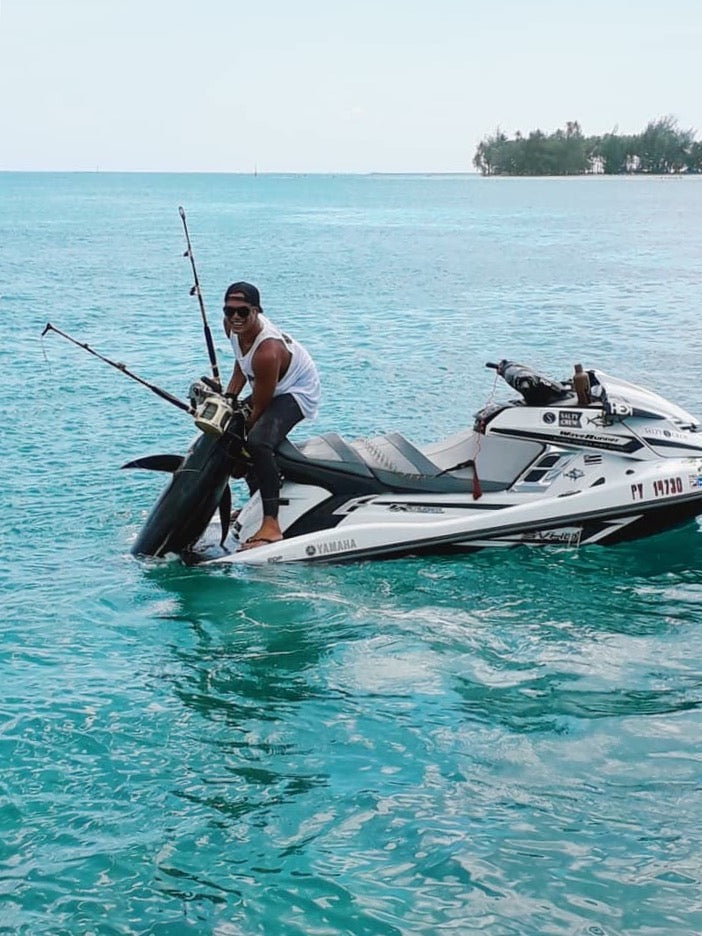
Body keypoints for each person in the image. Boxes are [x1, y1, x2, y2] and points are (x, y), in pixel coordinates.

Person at [222, 282, 321, 549]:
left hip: (296, 391)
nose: (235, 318)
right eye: (229, 311)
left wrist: (244, 441)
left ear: (256, 310)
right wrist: (229, 398)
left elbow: (261, 407)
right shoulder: (232, 327)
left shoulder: (268, 351)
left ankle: (271, 524)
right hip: (269, 382)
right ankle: (256, 502)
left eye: (242, 312)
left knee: (257, 442)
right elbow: (242, 363)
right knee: (229, 428)